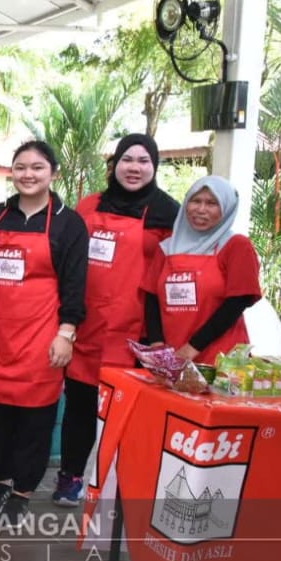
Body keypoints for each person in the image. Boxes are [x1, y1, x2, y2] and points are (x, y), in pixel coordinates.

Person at [62, 134, 178, 506]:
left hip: (134, 328)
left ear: (154, 166)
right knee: (79, 406)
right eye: (127, 159)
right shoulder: (89, 204)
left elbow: (170, 276)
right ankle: (71, 475)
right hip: (85, 322)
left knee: (126, 411)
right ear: (115, 164)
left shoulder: (168, 213)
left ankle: (119, 482)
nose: (134, 168)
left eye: (144, 161)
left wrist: (158, 334)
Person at [0, 141, 88, 526]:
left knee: (34, 422)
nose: (28, 175)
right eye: (20, 167)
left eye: (37, 167)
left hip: (41, 337)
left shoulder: (68, 224)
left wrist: (66, 333)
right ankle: (1, 481)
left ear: (53, 173)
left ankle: (23, 490)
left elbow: (75, 285)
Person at [143, 176, 261, 364]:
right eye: (195, 201)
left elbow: (236, 304)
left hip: (222, 360)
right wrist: (157, 345)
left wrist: (192, 348)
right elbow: (152, 298)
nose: (201, 209)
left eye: (212, 203)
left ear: (226, 208)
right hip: (173, 359)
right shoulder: (166, 248)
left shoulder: (237, 246)